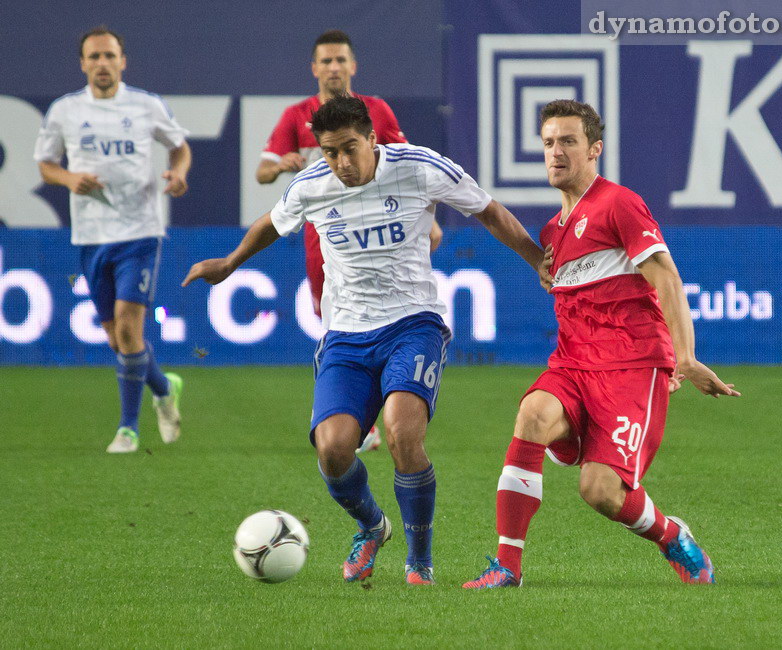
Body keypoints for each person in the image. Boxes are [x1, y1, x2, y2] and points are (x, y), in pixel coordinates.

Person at [183, 96, 544, 585]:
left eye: (350, 148)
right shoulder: (312, 185)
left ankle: (419, 561)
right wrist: (229, 264)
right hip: (346, 336)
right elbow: (271, 222)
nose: (341, 163)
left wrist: (537, 259)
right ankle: (372, 526)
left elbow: (489, 210)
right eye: (329, 152)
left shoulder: (418, 167)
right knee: (332, 450)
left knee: (401, 432)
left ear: (372, 139)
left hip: (413, 324)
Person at [462, 99, 740, 589]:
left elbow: (666, 279)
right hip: (572, 365)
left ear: (595, 150)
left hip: (632, 367)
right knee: (530, 415)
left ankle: (671, 534)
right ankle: (508, 567)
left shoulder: (619, 204)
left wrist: (687, 358)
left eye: (568, 141)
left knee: (600, 491)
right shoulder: (553, 233)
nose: (556, 152)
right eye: (548, 143)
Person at [256, 29, 442, 454]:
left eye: (341, 60)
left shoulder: (374, 111)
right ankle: (349, 405)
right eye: (326, 61)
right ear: (314, 69)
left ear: (353, 66)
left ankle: (366, 411)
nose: (334, 68)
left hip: (384, 230)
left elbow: (407, 166)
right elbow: (261, 173)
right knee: (334, 317)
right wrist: (281, 165)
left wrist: (425, 220)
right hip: (325, 237)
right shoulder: (296, 116)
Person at [34, 26, 190, 454]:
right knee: (118, 339)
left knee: (128, 323)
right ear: (83, 64)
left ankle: (128, 428)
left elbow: (179, 147)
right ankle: (163, 386)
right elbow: (46, 163)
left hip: (139, 230)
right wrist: (68, 178)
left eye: (109, 55)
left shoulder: (145, 106)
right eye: (94, 57)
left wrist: (178, 173)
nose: (102, 63)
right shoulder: (65, 110)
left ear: (123, 61)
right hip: (90, 234)